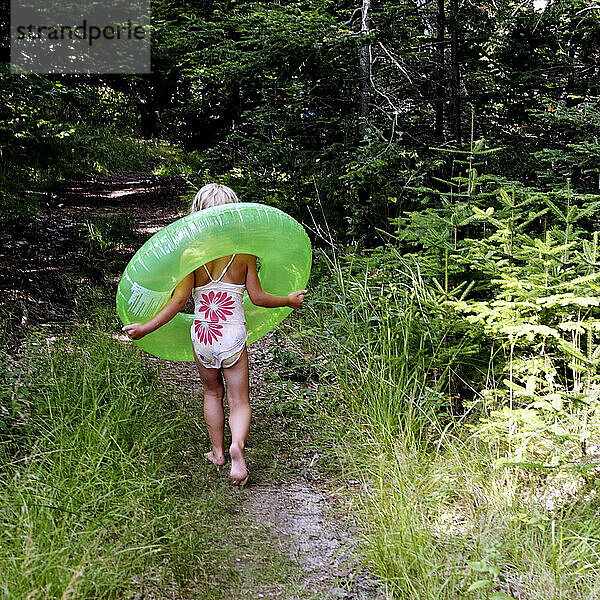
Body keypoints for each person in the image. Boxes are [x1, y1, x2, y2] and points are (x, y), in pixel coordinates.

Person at [122, 184, 306, 486]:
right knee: (239, 400)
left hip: (203, 335)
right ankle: (238, 448)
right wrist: (288, 300)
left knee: (211, 393)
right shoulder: (243, 255)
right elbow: (257, 297)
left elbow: (178, 302)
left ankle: (218, 451)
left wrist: (145, 328)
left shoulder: (191, 256)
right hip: (231, 333)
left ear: (198, 214)